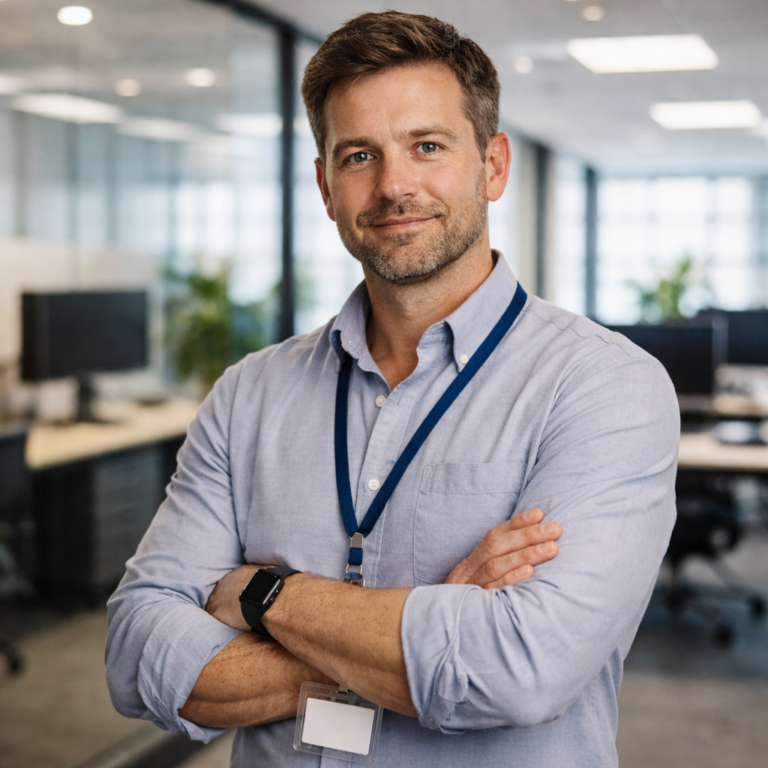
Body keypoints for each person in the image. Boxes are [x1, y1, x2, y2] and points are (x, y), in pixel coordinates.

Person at [106, 11, 679, 768]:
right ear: (325, 185)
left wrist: (263, 598)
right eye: (358, 156)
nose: (394, 185)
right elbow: (136, 651)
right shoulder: (249, 395)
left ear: (493, 165)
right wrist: (427, 626)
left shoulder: (604, 388)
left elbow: (519, 671)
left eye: (428, 146)